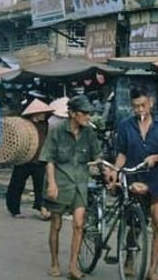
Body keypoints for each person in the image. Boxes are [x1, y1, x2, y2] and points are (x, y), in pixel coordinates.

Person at [112, 88, 158, 280]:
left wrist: (156, 157)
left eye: (143, 105)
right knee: (135, 223)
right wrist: (116, 172)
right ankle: (130, 257)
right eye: (135, 106)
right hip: (135, 178)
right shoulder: (125, 125)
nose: (140, 109)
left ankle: (152, 270)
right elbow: (122, 153)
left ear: (151, 103)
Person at [41, 95, 102, 280]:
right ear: (73, 114)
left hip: (80, 183)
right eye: (85, 113)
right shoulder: (57, 131)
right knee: (56, 224)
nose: (88, 117)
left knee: (78, 224)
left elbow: (97, 155)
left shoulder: (89, 133)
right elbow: (49, 159)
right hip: (60, 181)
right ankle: (54, 262)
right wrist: (51, 183)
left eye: (89, 113)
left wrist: (103, 167)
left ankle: (73, 266)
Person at [6, 99, 53, 220]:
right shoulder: (24, 124)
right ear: (35, 113)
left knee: (40, 187)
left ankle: (40, 208)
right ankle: (14, 209)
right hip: (24, 159)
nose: (44, 115)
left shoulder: (45, 125)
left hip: (40, 160)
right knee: (17, 185)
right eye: (41, 113)